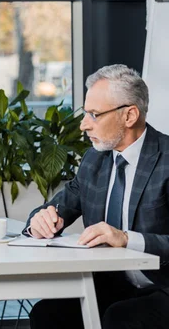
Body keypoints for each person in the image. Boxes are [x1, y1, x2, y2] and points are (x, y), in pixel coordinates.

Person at [26, 64, 169, 329]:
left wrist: (127, 239)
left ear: (129, 115)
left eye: (94, 114)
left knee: (122, 318)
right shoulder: (94, 160)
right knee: (47, 314)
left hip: (163, 288)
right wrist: (40, 221)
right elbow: (55, 208)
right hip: (112, 285)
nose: (83, 125)